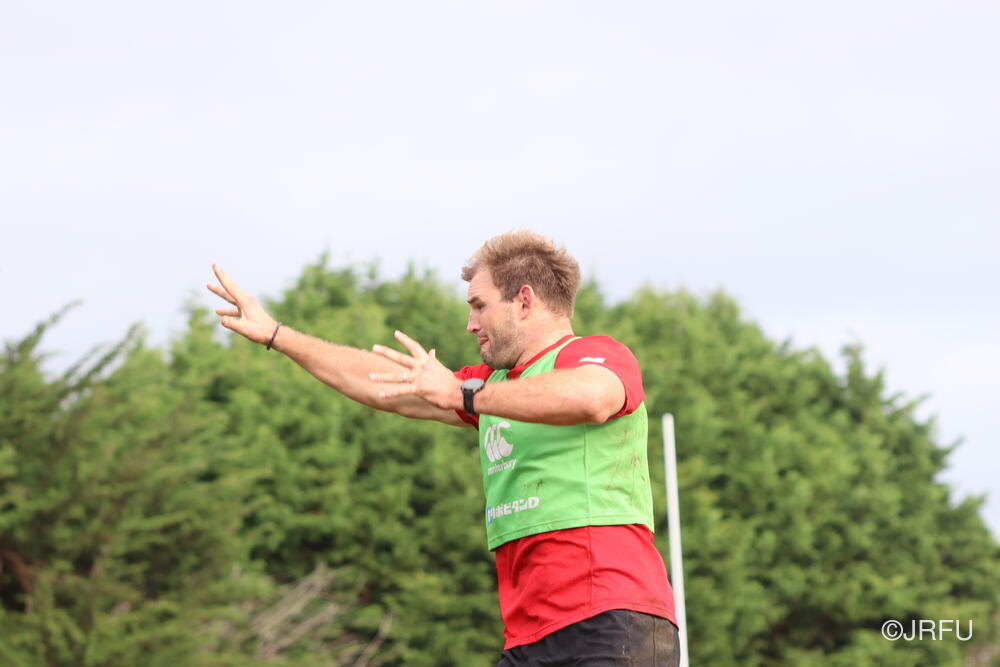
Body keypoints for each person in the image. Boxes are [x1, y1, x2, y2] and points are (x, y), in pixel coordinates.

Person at [207, 230, 680, 666]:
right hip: (528, 635)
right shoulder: (489, 386)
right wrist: (278, 335)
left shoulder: (594, 355)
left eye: (479, 305)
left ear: (524, 301)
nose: (470, 324)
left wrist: (461, 394)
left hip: (612, 617)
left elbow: (591, 397)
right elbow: (381, 386)